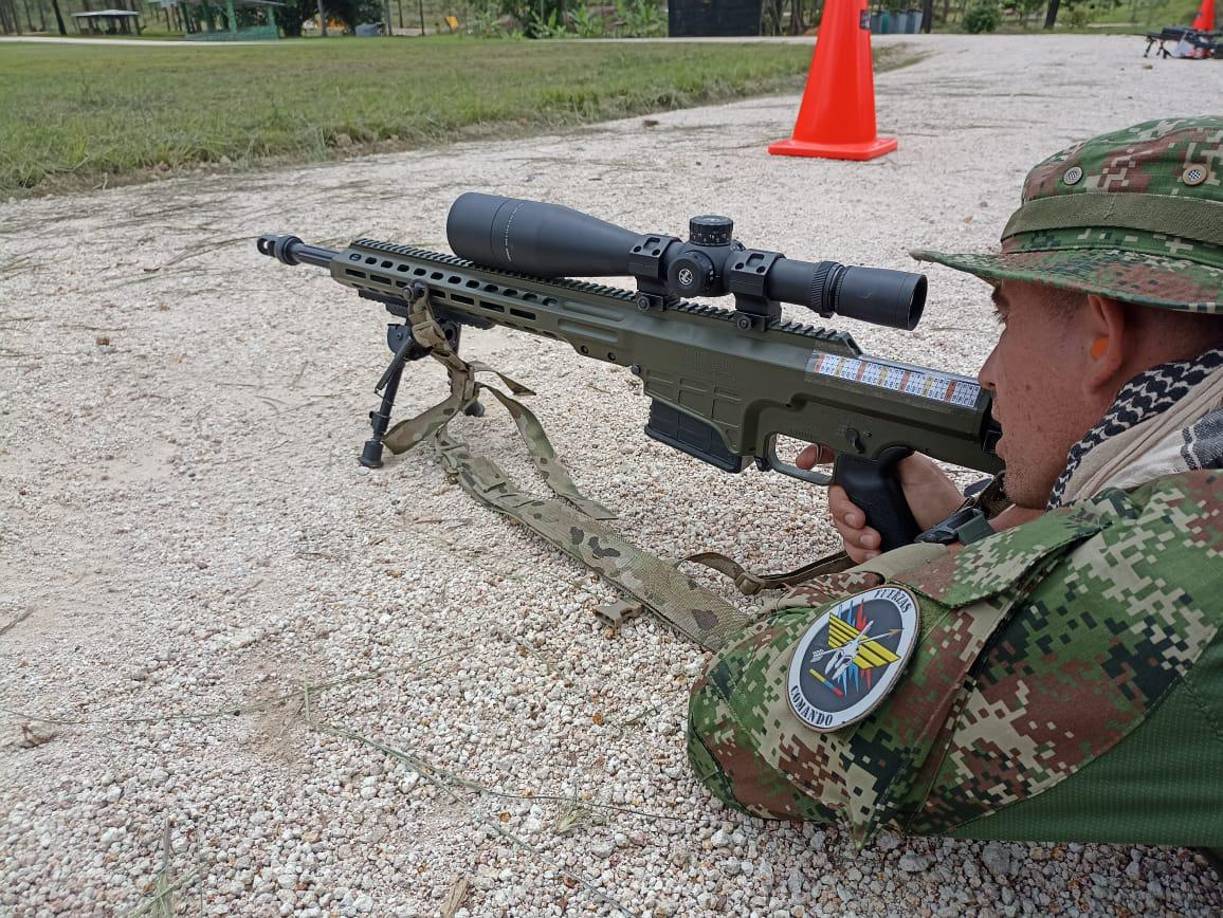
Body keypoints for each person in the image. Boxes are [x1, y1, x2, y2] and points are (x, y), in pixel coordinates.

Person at [687, 117, 1223, 847]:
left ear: (1104, 335)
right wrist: (972, 523)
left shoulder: (1165, 568)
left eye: (1005, 319)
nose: (986, 372)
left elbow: (741, 725)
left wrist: (952, 557)